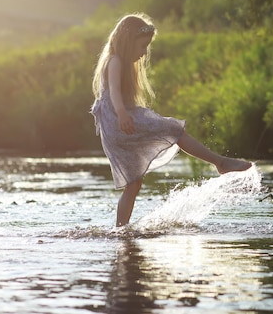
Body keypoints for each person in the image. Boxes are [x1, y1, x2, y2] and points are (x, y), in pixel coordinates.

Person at [91, 13, 252, 227]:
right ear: (128, 42)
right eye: (142, 46)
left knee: (134, 183)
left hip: (117, 124)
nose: (144, 52)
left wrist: (122, 113)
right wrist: (121, 113)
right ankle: (220, 162)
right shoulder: (115, 61)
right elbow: (113, 91)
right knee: (174, 130)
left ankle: (120, 230)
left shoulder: (121, 61)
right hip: (118, 120)